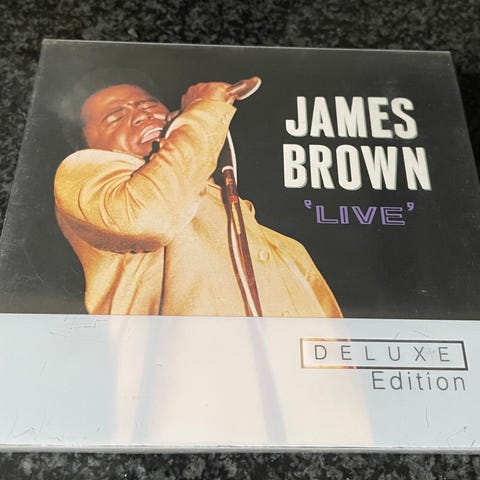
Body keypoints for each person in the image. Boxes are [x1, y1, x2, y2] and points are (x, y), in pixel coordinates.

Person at [54, 81, 342, 317]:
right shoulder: (81, 174)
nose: (141, 116)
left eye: (149, 105)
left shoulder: (286, 248)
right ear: (89, 146)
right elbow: (148, 218)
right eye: (115, 117)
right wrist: (205, 111)